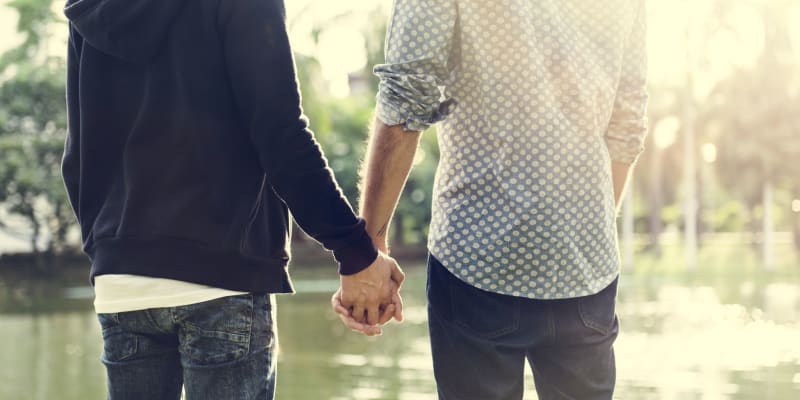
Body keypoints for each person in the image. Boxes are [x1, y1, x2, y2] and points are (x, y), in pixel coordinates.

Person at [61, 0, 402, 398]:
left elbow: (80, 155)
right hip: (222, 278)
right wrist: (355, 252)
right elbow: (281, 137)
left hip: (122, 285)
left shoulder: (90, 6)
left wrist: (111, 253)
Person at [336, 0, 649, 398]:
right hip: (586, 268)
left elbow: (406, 97)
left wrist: (368, 250)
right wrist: (584, 227)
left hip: (476, 262)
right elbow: (628, 123)